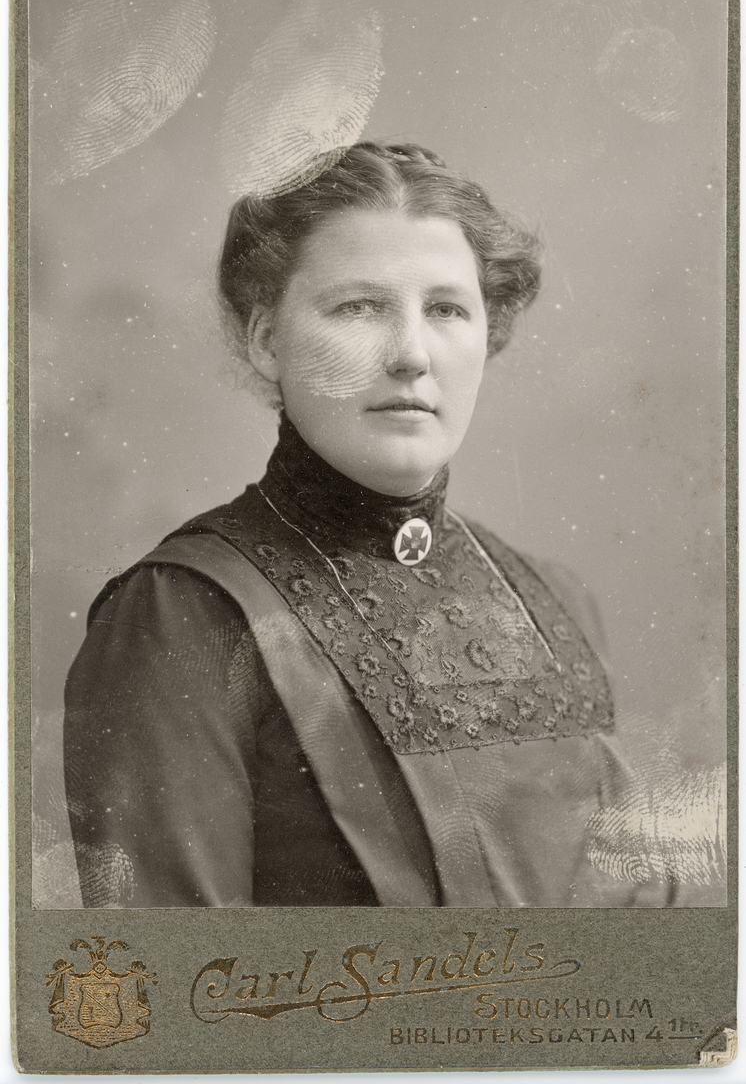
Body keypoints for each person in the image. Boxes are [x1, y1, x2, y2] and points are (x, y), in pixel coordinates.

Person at [64, 140, 668, 908]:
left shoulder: (558, 604)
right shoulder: (185, 614)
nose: (412, 354)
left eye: (446, 309)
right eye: (358, 307)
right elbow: (179, 981)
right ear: (267, 340)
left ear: (488, 334)